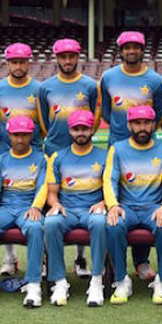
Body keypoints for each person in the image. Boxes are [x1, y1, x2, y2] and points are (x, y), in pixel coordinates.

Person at [100, 31, 162, 281]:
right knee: (115, 204)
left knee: (146, 198)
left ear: (142, 50)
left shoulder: (155, 80)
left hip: (146, 148)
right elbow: (107, 112)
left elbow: (159, 113)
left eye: (135, 47)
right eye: (126, 47)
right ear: (120, 50)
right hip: (117, 146)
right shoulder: (108, 77)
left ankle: (141, 262)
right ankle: (112, 262)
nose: (131, 51)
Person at [103, 106, 162, 305]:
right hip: (126, 207)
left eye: (146, 123)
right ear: (129, 125)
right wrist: (112, 206)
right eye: (137, 123)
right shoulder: (117, 149)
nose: (142, 127)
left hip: (154, 207)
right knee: (113, 225)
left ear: (154, 125)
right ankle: (121, 280)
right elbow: (109, 180)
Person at [37, 38, 99, 277]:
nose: (67, 60)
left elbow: (94, 116)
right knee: (51, 204)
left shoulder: (90, 86)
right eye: (63, 56)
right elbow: (44, 121)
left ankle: (80, 258)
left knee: (83, 198)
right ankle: (48, 258)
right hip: (54, 151)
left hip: (83, 152)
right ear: (56, 58)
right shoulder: (46, 87)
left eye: (71, 56)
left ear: (78, 57)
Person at [0, 116, 47, 308]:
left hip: (28, 207)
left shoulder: (41, 158)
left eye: (24, 135)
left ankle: (33, 284)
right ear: (9, 135)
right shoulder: (0, 160)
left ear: (31, 135)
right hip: (5, 208)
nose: (20, 139)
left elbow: (42, 187)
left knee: (35, 227)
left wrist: (36, 207)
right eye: (16, 135)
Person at [44, 110, 108, 307]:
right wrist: (55, 204)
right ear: (70, 131)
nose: (81, 132)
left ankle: (97, 281)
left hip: (92, 209)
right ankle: (60, 281)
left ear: (92, 130)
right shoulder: (58, 157)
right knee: (51, 222)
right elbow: (52, 192)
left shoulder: (105, 156)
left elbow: (112, 188)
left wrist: (104, 203)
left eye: (85, 128)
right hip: (68, 210)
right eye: (76, 129)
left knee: (100, 222)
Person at [0, 42, 43, 276]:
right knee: (3, 203)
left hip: (37, 153)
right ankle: (10, 258)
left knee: (41, 205)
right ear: (8, 63)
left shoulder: (40, 89)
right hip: (6, 152)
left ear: (28, 62)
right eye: (14, 61)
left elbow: (45, 121)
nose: (18, 65)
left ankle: (41, 260)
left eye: (22, 61)